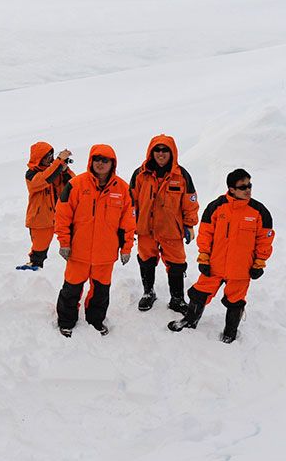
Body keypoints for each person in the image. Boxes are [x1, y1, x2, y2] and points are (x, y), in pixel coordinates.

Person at [169, 169, 274, 343]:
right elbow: (205, 234)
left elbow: (264, 240)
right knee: (198, 294)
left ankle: (230, 332)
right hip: (215, 266)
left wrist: (260, 263)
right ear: (231, 189)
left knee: (236, 301)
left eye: (249, 185)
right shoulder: (216, 207)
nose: (248, 190)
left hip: (241, 269)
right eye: (243, 187)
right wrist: (204, 256)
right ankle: (189, 320)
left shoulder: (259, 212)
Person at [54, 144, 136, 337]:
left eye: (105, 160)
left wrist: (126, 248)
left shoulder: (123, 189)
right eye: (97, 159)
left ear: (112, 163)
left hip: (105, 254)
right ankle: (66, 321)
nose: (100, 163)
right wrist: (64, 242)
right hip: (77, 252)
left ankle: (95, 320)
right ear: (91, 160)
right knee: (71, 289)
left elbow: (128, 222)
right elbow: (62, 215)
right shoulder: (76, 185)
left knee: (100, 292)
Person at [129, 135, 199, 312]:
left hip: (171, 230)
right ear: (151, 152)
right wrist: (130, 225)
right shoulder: (140, 174)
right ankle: (148, 293)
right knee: (146, 261)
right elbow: (131, 202)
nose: (161, 154)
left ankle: (177, 299)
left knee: (176, 264)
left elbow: (190, 202)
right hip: (146, 229)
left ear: (172, 152)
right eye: (157, 150)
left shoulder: (182, 175)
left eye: (165, 150)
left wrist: (189, 225)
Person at [18, 142, 76, 270]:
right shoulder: (31, 174)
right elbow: (45, 178)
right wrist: (59, 162)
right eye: (46, 157)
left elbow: (72, 184)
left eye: (51, 156)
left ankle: (76, 265)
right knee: (39, 249)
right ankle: (34, 268)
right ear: (38, 158)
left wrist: (65, 170)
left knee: (73, 242)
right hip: (41, 219)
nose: (49, 159)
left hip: (59, 215)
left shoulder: (55, 170)